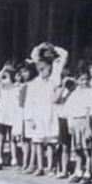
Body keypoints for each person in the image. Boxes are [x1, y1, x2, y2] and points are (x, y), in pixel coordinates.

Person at [23, 43, 68, 176]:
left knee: (50, 142)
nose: (42, 71)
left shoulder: (54, 79)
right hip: (37, 116)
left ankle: (50, 167)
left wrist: (53, 47)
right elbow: (29, 102)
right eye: (40, 69)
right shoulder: (34, 83)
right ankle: (40, 166)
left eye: (45, 68)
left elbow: (64, 54)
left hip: (51, 115)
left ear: (51, 67)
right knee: (37, 142)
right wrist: (29, 118)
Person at [64, 70, 92, 184]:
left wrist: (88, 126)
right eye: (81, 79)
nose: (84, 82)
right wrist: (70, 124)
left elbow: (90, 110)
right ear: (77, 81)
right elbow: (69, 111)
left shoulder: (91, 93)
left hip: (85, 121)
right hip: (75, 122)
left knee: (87, 149)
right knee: (77, 149)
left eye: (86, 79)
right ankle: (78, 171)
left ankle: (88, 172)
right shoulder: (74, 94)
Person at [0, 65, 23, 169]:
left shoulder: (18, 87)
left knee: (12, 139)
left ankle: (14, 159)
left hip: (12, 116)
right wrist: (3, 69)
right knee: (1, 138)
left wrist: (17, 81)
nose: (5, 77)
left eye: (8, 75)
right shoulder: (3, 86)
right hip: (2, 115)